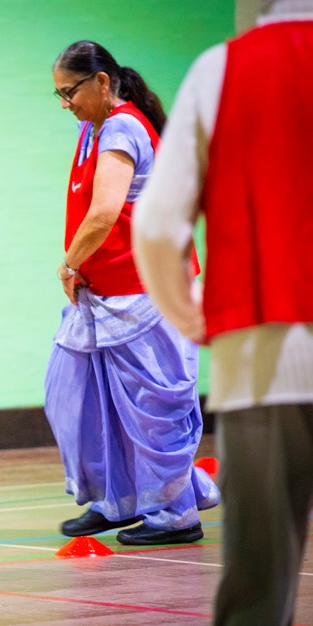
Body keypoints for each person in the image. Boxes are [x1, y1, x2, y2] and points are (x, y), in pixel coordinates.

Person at [133, 1, 313, 622]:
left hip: (262, 358)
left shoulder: (223, 68)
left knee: (260, 588)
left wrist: (189, 315)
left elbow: (156, 225)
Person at [44, 40, 220, 546]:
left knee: (151, 410)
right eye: (56, 94)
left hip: (143, 293)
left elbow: (104, 212)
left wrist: (69, 263)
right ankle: (118, 500)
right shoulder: (91, 128)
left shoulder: (121, 127)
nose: (64, 103)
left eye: (70, 91)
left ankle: (175, 515)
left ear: (102, 82)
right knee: (81, 400)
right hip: (104, 295)